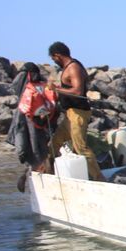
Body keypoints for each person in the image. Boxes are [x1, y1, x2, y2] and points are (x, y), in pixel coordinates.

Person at [46, 41, 105, 181]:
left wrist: (56, 89)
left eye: (53, 58)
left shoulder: (73, 68)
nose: (54, 62)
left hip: (78, 113)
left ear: (58, 55)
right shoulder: (69, 67)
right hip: (70, 114)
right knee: (55, 143)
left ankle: (99, 178)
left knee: (81, 148)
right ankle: (50, 173)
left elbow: (77, 91)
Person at [7, 62, 55, 191]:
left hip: (36, 124)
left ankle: (36, 176)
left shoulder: (37, 88)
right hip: (33, 124)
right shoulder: (35, 87)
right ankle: (34, 175)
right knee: (33, 151)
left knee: (36, 151)